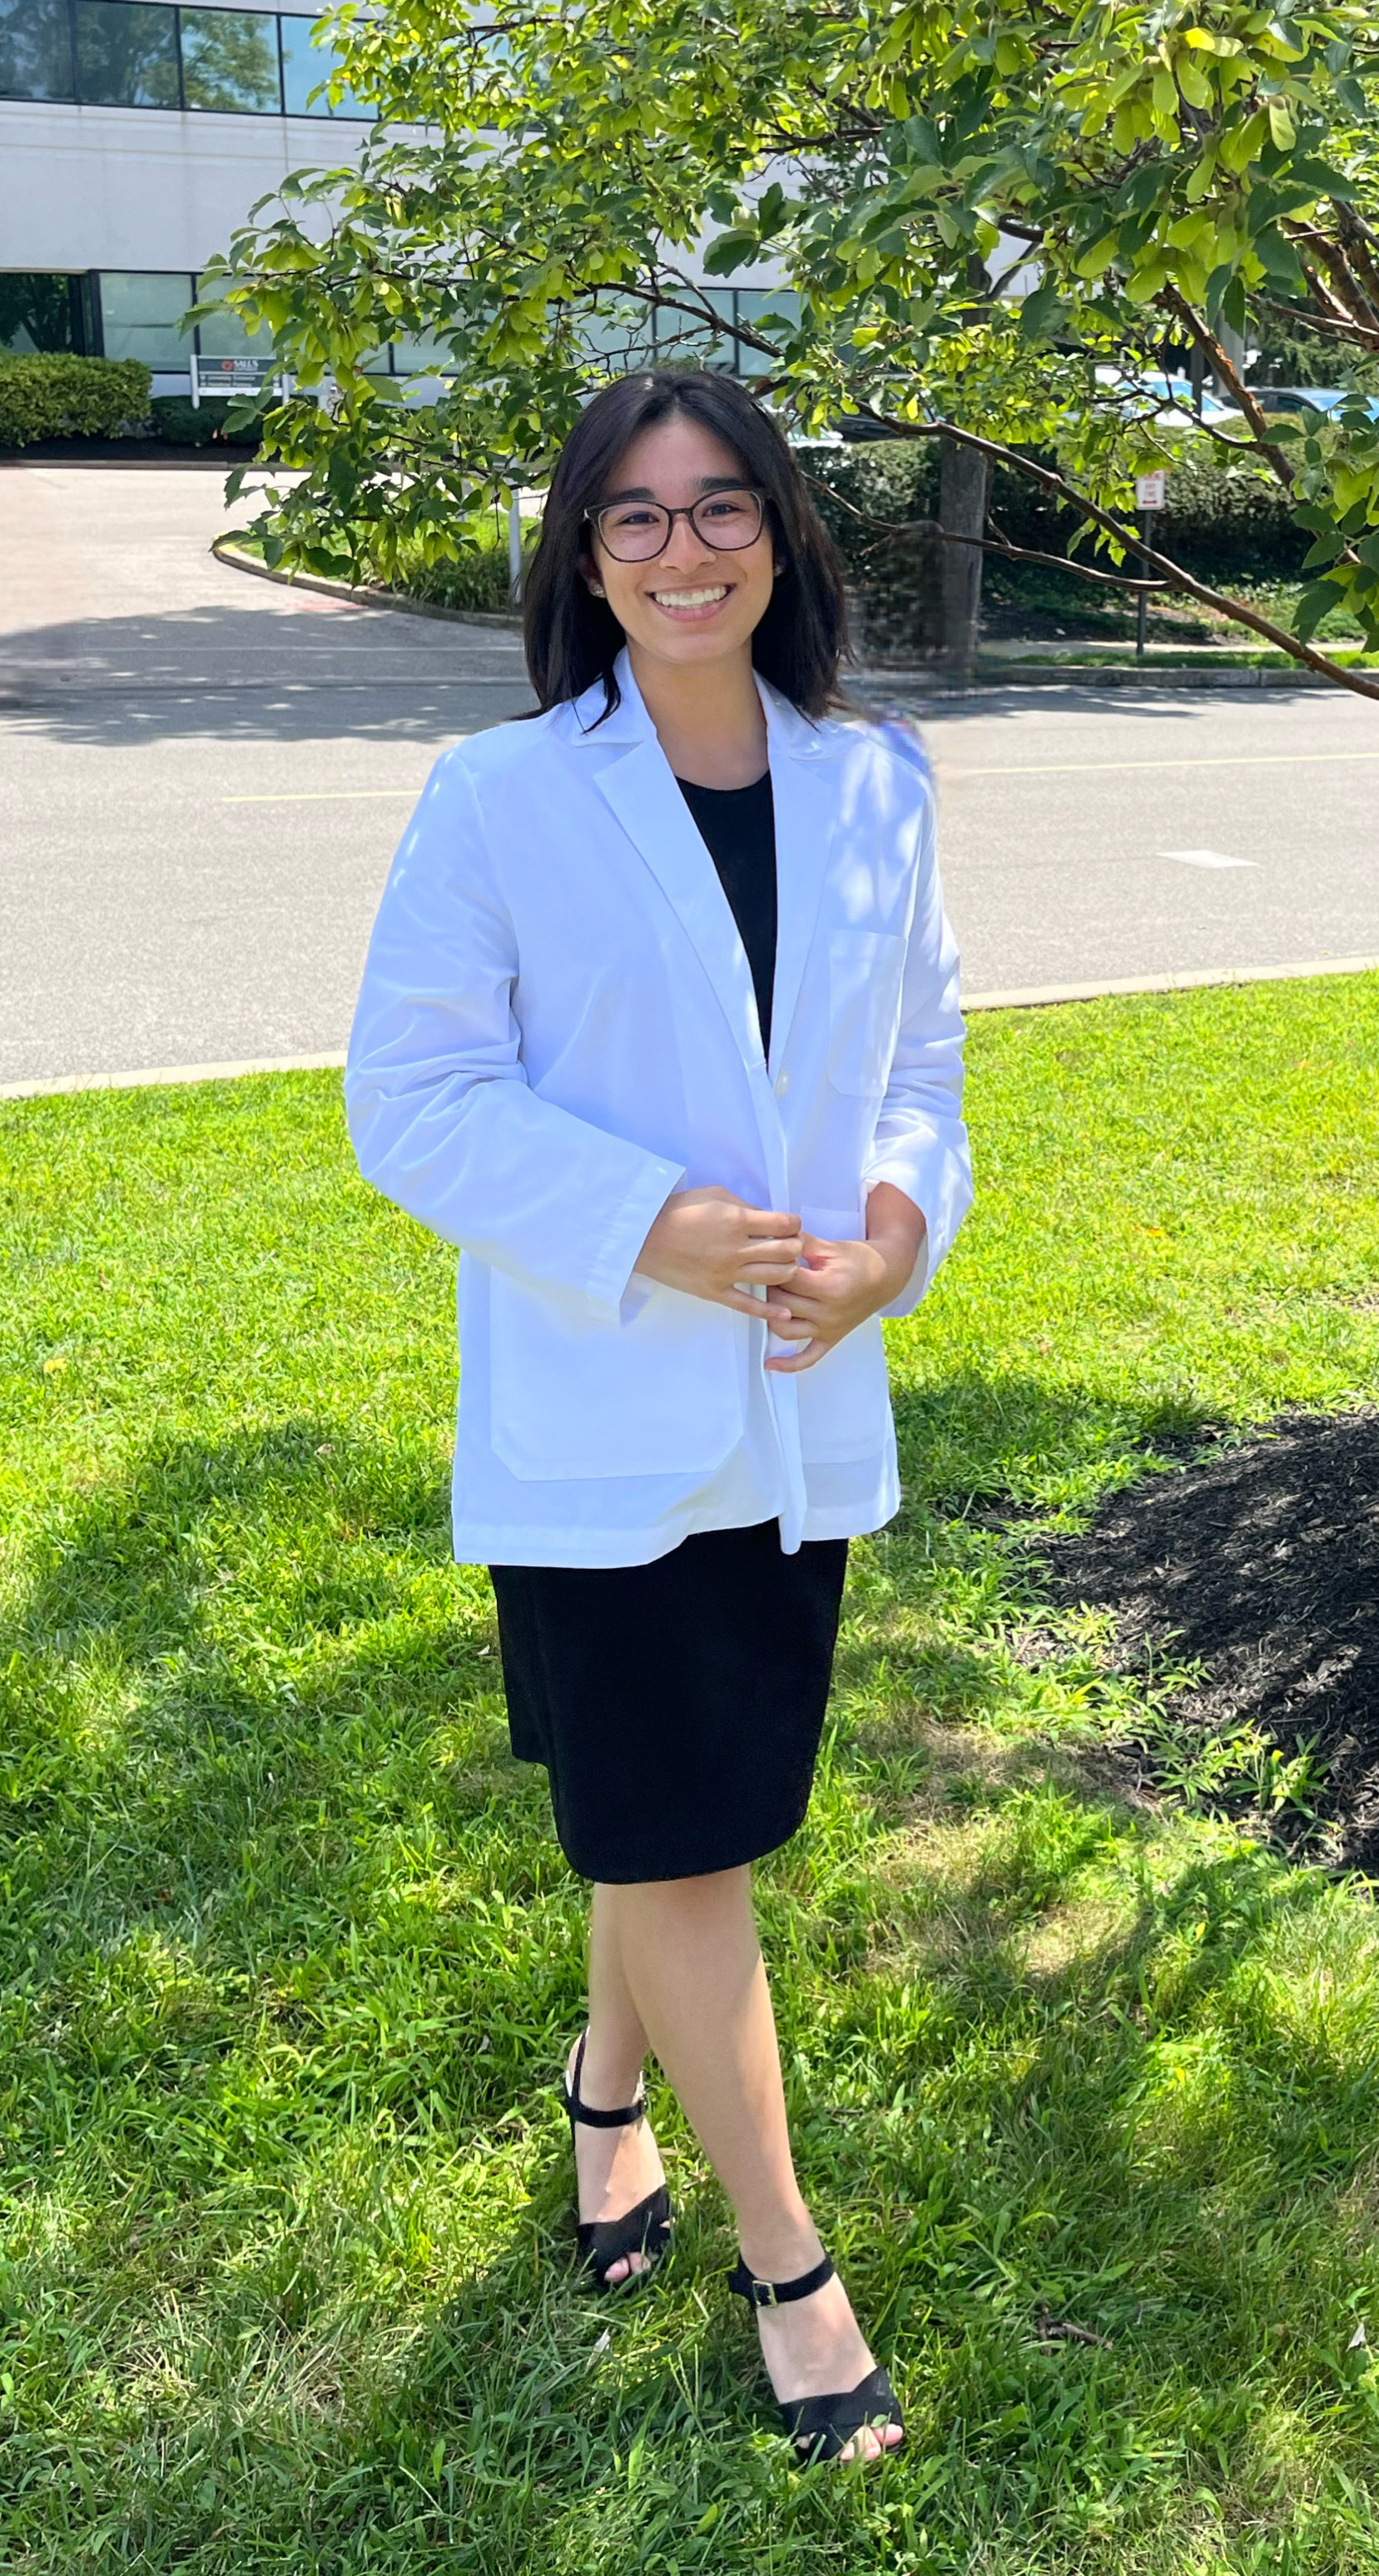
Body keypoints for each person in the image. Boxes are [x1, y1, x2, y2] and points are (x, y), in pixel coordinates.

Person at [343, 368, 972, 2468]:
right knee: (684, 1828)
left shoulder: (880, 784)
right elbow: (413, 1102)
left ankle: (610, 2101)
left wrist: (894, 1236)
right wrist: (655, 1231)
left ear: (781, 533)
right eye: (634, 519)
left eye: (721, 510)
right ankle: (790, 2268)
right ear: (581, 558)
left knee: (680, 1806)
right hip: (602, 1403)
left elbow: (922, 1068)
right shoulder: (498, 797)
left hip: (804, 1405)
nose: (683, 551)